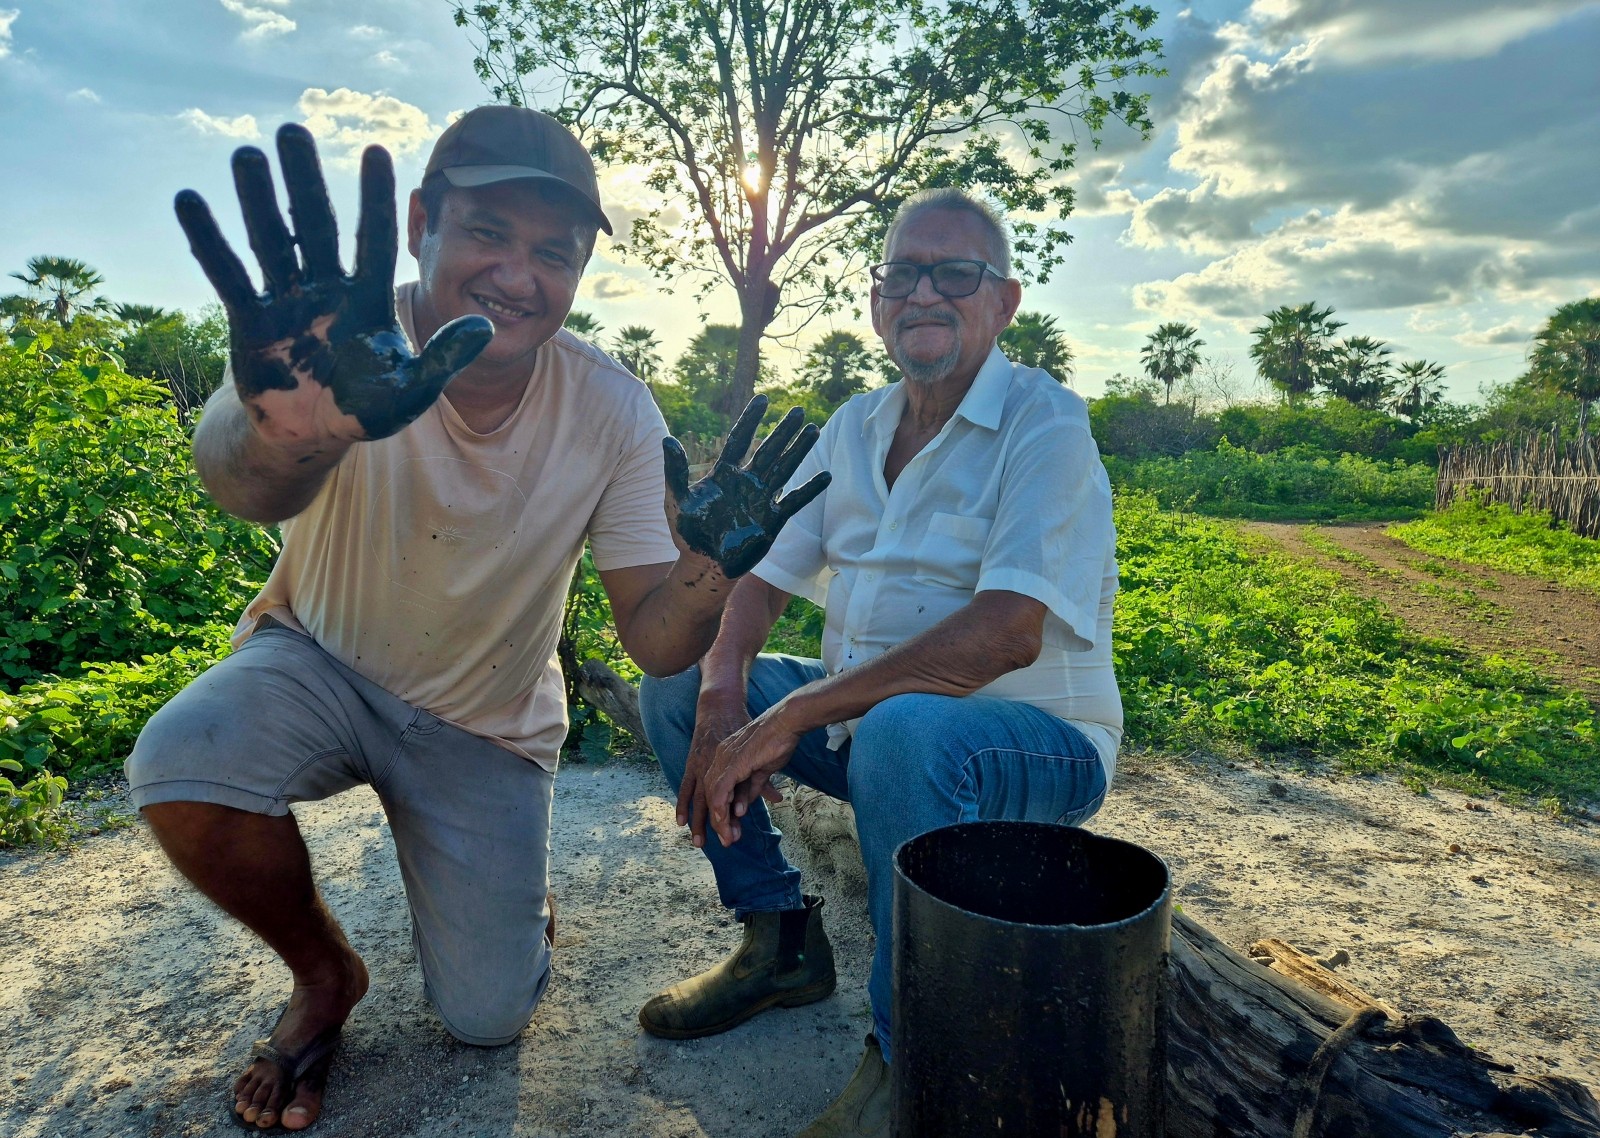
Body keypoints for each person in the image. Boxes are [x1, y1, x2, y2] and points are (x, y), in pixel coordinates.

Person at [126, 106, 824, 1132]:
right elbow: (243, 485)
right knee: (181, 759)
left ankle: (509, 908)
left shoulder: (614, 408)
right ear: (420, 225)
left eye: (554, 251)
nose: (518, 274)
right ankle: (324, 977)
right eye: (487, 234)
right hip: (316, 658)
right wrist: (293, 425)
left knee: (488, 1018)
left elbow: (654, 638)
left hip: (485, 724)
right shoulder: (339, 343)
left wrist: (709, 571)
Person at [636, 187, 1122, 1138]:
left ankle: (916, 1059)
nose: (924, 293)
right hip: (876, 738)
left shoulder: (1044, 423)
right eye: (902, 272)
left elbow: (1007, 631)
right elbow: (762, 582)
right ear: (875, 298)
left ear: (1005, 301)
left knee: (903, 729)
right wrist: (729, 691)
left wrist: (792, 714)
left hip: (1034, 746)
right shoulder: (854, 427)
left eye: (956, 273)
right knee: (681, 681)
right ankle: (778, 940)